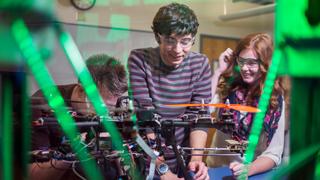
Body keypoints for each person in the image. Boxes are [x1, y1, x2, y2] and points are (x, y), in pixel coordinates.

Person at [128, 3, 211, 180]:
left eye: (185, 41)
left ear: (193, 38)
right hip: (149, 158)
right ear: (158, 37)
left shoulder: (200, 64)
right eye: (170, 40)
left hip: (185, 155)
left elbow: (200, 117)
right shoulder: (139, 59)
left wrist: (196, 159)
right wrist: (161, 168)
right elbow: (145, 119)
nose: (178, 50)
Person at [29, 54, 128, 179]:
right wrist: (71, 154)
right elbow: (32, 174)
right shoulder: (41, 106)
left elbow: (112, 155)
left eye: (110, 108)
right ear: (81, 91)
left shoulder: (113, 107)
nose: (105, 114)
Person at [207, 33, 285, 178]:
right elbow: (204, 110)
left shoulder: (274, 100)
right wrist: (218, 72)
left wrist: (248, 169)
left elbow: (274, 153)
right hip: (217, 170)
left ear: (265, 64)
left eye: (251, 63)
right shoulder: (227, 88)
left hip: (253, 174)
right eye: (241, 61)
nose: (243, 68)